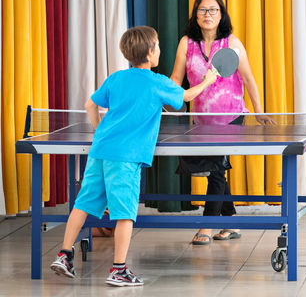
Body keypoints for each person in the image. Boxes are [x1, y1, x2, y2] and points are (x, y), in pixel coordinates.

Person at [50, 26, 217, 286]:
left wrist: (99, 132)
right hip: (125, 158)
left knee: (83, 204)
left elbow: (90, 105)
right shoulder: (157, 81)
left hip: (100, 151)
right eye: (159, 46)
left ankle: (65, 254)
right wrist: (207, 80)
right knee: (125, 213)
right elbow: (183, 98)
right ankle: (118, 269)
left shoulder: (116, 78)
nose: (160, 49)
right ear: (150, 53)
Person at [170, 0, 273, 245]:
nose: (208, 15)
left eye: (213, 10)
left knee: (216, 167)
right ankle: (231, 221)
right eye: (203, 10)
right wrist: (167, 97)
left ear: (221, 14)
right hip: (201, 119)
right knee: (218, 167)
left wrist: (258, 112)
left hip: (230, 117)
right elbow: (176, 78)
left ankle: (206, 225)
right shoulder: (186, 43)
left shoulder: (232, 43)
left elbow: (248, 79)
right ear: (196, 15)